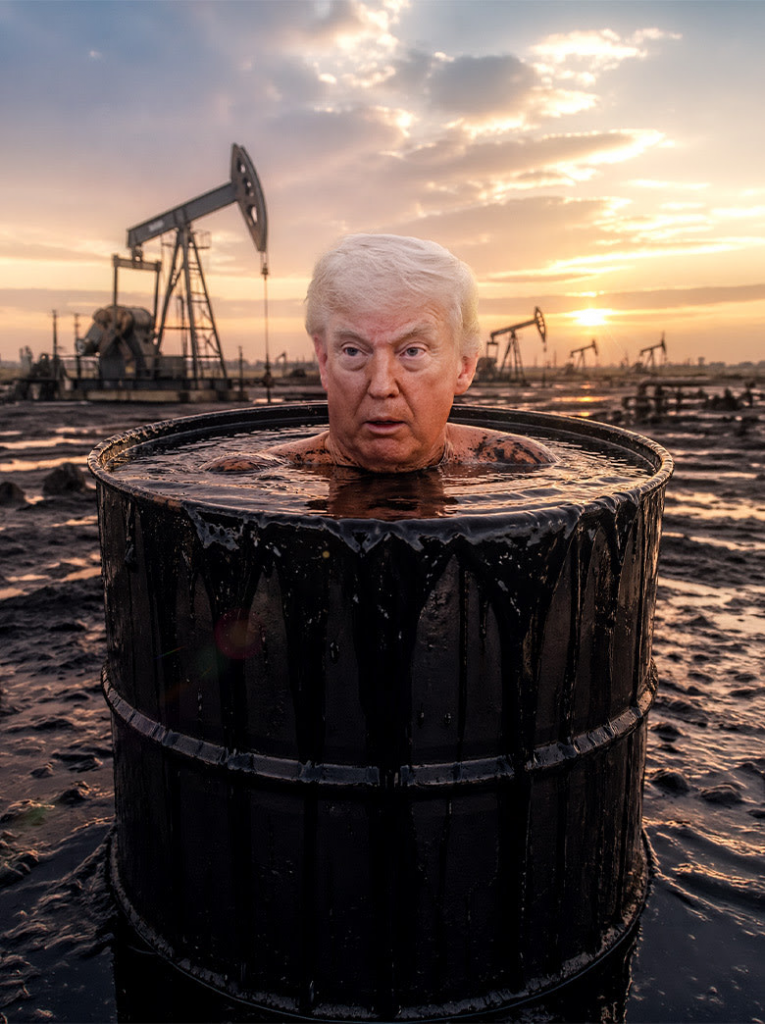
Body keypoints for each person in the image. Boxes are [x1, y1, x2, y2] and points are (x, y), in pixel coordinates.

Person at [206, 234, 555, 474]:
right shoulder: (251, 478)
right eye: (354, 351)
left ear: (464, 367)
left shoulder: (522, 466)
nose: (382, 386)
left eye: (412, 351)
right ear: (324, 362)